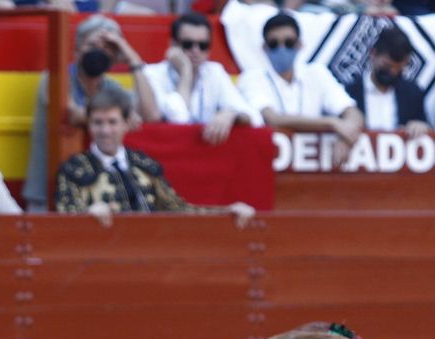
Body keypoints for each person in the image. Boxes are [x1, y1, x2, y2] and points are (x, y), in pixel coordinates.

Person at [22, 14, 161, 211]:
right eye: (93, 45)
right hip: (48, 191)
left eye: (108, 48)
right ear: (77, 51)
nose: (99, 53)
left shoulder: (112, 89)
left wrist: (132, 58)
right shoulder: (55, 79)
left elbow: (151, 114)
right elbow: (73, 115)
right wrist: (121, 118)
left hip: (98, 195)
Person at [55, 92, 256, 227]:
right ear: (89, 126)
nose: (105, 130)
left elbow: (178, 209)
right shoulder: (74, 169)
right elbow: (64, 221)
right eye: (98, 123)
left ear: (126, 124)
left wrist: (227, 212)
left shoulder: (144, 165)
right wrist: (86, 217)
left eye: (112, 122)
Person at [237, 12, 364, 169]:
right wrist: (332, 123)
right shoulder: (251, 78)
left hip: (312, 169)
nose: (282, 49)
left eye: (289, 42)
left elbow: (352, 112)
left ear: (300, 45)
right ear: (264, 47)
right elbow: (273, 119)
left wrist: (346, 134)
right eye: (274, 43)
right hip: (267, 166)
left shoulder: (317, 73)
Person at [143, 13, 261, 145]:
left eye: (203, 45)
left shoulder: (215, 72)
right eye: (188, 44)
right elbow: (177, 118)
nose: (196, 51)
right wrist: (185, 72)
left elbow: (255, 118)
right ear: (173, 44)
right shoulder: (152, 74)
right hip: (167, 154)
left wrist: (231, 114)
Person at [340, 25, 429, 138]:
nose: (393, 73)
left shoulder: (413, 92)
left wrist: (420, 126)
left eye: (399, 68)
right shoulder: (349, 92)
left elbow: (425, 126)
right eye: (387, 66)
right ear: (373, 54)